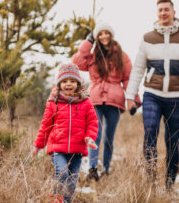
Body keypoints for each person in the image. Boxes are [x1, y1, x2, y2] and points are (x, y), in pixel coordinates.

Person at [126, 0, 179, 190]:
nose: (163, 13)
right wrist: (130, 95)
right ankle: (150, 180)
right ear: (157, 12)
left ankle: (169, 184)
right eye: (160, 10)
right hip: (152, 95)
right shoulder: (147, 39)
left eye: (166, 10)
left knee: (173, 142)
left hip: (176, 97)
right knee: (150, 132)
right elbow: (138, 69)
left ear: (173, 12)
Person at [72, 22, 141, 181]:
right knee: (95, 133)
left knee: (109, 137)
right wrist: (88, 42)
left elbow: (128, 79)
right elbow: (76, 61)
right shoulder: (92, 56)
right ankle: (92, 168)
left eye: (106, 33)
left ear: (111, 35)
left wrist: (134, 100)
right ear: (97, 37)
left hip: (115, 100)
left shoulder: (122, 56)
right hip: (95, 98)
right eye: (100, 34)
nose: (104, 36)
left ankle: (106, 169)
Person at [32, 63, 98, 203]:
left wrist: (90, 137)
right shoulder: (53, 102)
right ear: (59, 83)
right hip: (57, 148)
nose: (69, 84)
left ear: (78, 83)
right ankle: (57, 198)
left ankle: (67, 201)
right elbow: (45, 126)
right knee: (61, 173)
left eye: (73, 81)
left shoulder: (85, 102)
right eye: (65, 81)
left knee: (72, 180)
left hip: (77, 149)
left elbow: (92, 122)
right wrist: (38, 145)